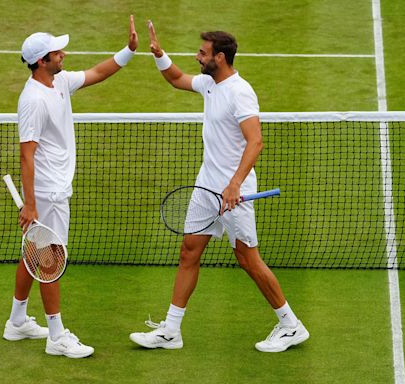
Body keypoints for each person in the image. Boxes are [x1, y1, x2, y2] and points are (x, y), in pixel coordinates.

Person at [129, 22, 309, 353]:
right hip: (206, 187)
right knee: (189, 251)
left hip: (233, 192)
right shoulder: (210, 85)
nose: (198, 57)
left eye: (203, 53)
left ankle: (290, 325)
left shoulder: (240, 92)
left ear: (220, 58)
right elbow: (176, 79)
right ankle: (171, 330)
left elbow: (256, 142)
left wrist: (235, 184)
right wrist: (159, 54)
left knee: (247, 258)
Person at [3, 16, 138, 358]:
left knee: (36, 252)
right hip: (48, 192)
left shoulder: (60, 81)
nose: (62, 54)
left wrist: (129, 50)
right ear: (40, 61)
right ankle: (56, 336)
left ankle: (17, 322)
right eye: (55, 52)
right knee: (50, 259)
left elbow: (97, 73)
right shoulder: (32, 100)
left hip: (55, 189)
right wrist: (31, 204)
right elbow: (26, 156)